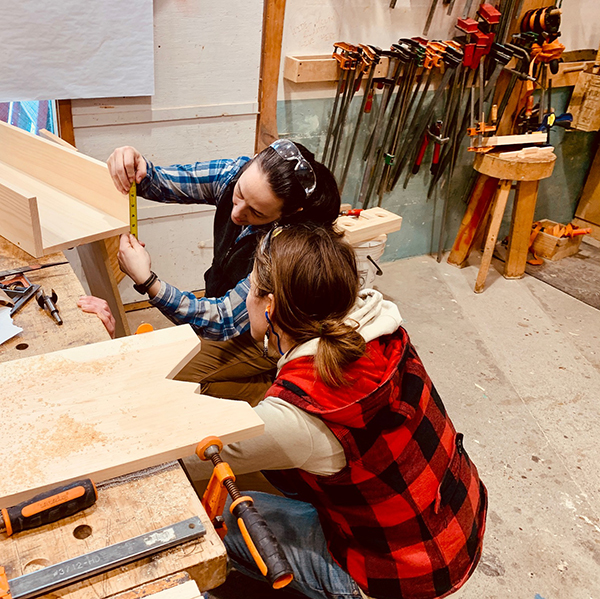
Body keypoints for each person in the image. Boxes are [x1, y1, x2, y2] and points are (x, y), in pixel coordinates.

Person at [186, 225, 488, 599]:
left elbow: (191, 454)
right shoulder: (380, 326)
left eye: (249, 288)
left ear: (270, 305)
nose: (244, 299)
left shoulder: (300, 413)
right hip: (455, 520)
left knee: (220, 522)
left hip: (400, 574)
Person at [107, 140, 340, 404]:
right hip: (230, 310)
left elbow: (223, 318)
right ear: (252, 161)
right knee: (167, 368)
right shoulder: (236, 174)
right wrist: (138, 168)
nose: (236, 213)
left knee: (170, 381)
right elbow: (162, 181)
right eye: (239, 194)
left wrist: (148, 282)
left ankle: (278, 390)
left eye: (256, 212)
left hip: (266, 333)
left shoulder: (286, 245)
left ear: (287, 213)